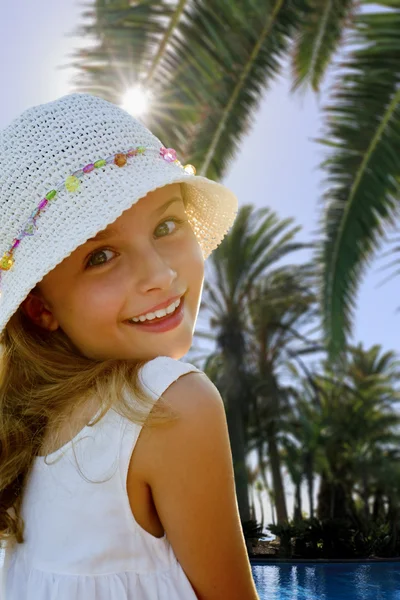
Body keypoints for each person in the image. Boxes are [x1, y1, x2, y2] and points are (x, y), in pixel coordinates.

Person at [0, 93, 260, 599]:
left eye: (166, 226)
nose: (160, 276)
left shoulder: (32, 437)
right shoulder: (171, 404)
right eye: (100, 256)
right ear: (40, 308)